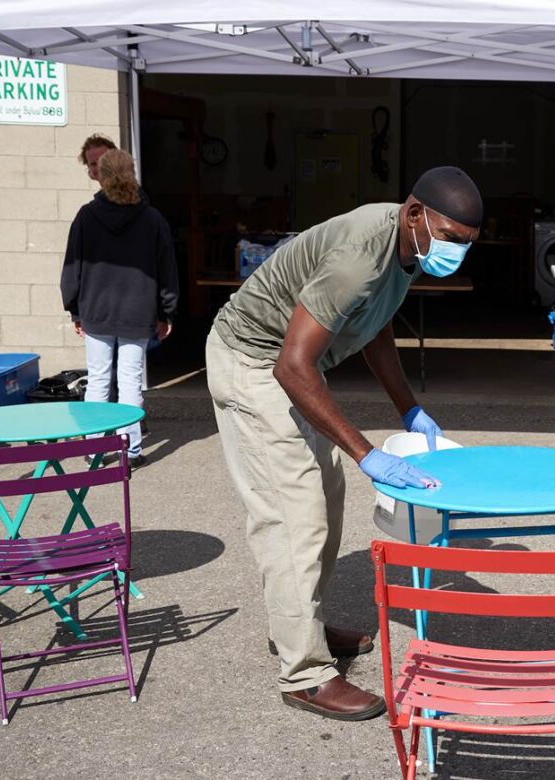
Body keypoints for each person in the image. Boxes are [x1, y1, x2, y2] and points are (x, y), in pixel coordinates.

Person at [206, 166, 482, 720]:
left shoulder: (405, 251)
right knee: (293, 514)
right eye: (450, 237)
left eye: (466, 244)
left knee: (327, 500)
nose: (455, 251)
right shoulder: (361, 255)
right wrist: (367, 452)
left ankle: (300, 624)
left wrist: (409, 408)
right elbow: (292, 365)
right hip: (255, 361)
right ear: (414, 214)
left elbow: (376, 326)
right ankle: (303, 672)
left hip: (288, 366)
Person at [60, 149, 179, 468]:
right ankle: (132, 450)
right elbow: (166, 268)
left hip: (96, 311)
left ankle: (94, 449)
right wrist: (166, 311)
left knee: (97, 380)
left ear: (101, 174)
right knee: (130, 381)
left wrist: (74, 309)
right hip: (138, 312)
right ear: (131, 174)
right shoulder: (152, 219)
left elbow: (73, 266)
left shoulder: (86, 216)